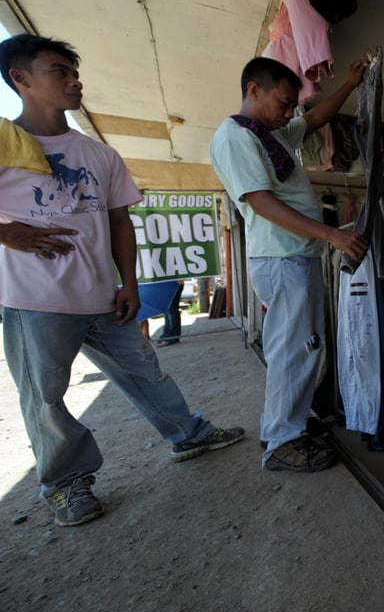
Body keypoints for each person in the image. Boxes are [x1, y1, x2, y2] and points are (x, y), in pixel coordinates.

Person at [0, 34, 245, 527]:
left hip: (100, 294)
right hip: (36, 300)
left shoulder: (99, 154)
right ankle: (65, 484)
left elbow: (117, 222)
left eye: (74, 72)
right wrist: (7, 231)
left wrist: (128, 284)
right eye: (59, 72)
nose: (74, 81)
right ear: (20, 79)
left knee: (144, 369)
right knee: (45, 396)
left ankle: (188, 434)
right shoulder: (5, 143)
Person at [209, 56, 368, 473]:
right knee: (292, 350)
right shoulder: (236, 138)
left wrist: (350, 84)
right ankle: (281, 440)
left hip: (294, 255)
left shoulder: (269, 133)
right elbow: (260, 202)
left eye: (290, 106)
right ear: (253, 90)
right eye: (282, 103)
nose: (288, 113)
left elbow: (314, 119)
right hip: (282, 257)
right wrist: (331, 234)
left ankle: (290, 423)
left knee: (304, 345)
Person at [153, 279, 184, 347]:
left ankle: (172, 336)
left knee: (171, 309)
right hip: (166, 283)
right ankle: (167, 336)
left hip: (174, 282)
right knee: (167, 310)